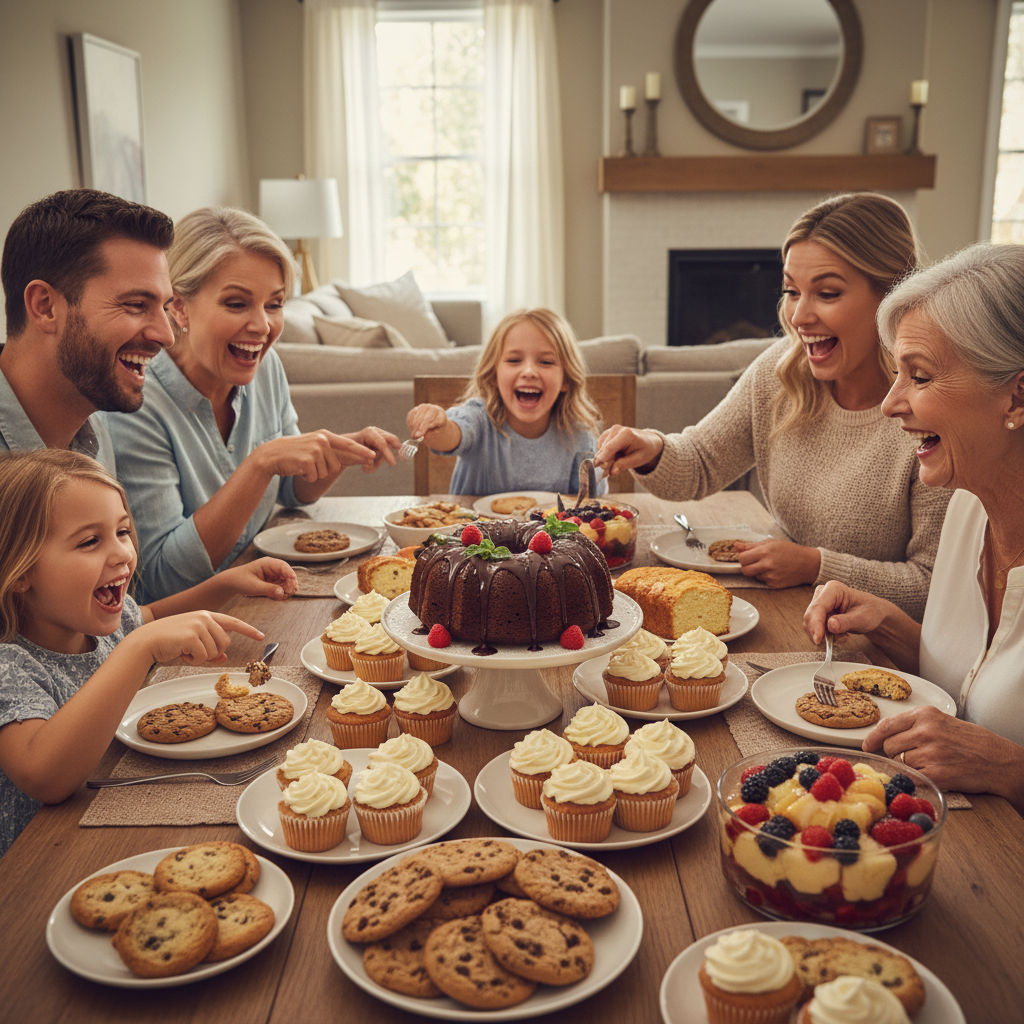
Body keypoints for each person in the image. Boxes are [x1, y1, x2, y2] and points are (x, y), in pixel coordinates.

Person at [593, 193, 951, 619]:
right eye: (791, 291)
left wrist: (815, 565)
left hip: (876, 643)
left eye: (827, 293)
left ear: (892, 296)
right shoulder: (782, 374)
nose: (798, 316)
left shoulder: (931, 410)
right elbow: (701, 462)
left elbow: (933, 584)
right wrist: (651, 447)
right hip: (784, 608)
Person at [804, 243, 1024, 812]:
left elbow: (991, 735)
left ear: (1017, 396)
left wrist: (1009, 767)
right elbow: (968, 689)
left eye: (919, 376)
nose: (889, 403)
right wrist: (889, 624)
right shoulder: (965, 507)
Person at [0, 448, 300, 856]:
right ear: (20, 572)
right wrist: (138, 648)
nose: (124, 553)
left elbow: (151, 615)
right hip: (40, 861)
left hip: (112, 823)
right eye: (90, 541)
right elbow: (45, 778)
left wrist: (225, 584)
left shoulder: (100, 618)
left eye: (122, 532)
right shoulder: (10, 666)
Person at [102, 207, 402, 601]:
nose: (262, 326)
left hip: (266, 593)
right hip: (191, 624)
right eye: (237, 303)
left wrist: (336, 451)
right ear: (178, 307)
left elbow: (293, 492)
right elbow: (161, 578)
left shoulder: (265, 365)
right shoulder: (137, 402)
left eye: (274, 304)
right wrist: (262, 462)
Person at [0, 189, 175, 469]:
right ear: (45, 306)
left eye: (165, 308)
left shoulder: (95, 438)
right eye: (135, 304)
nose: (167, 336)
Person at [405, 307, 607, 496]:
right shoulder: (478, 418)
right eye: (514, 360)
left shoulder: (579, 434)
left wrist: (603, 465)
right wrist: (439, 426)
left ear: (566, 379)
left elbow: (589, 502)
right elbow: (450, 435)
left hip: (549, 534)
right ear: (493, 374)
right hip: (473, 532)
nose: (529, 372)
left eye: (546, 362)